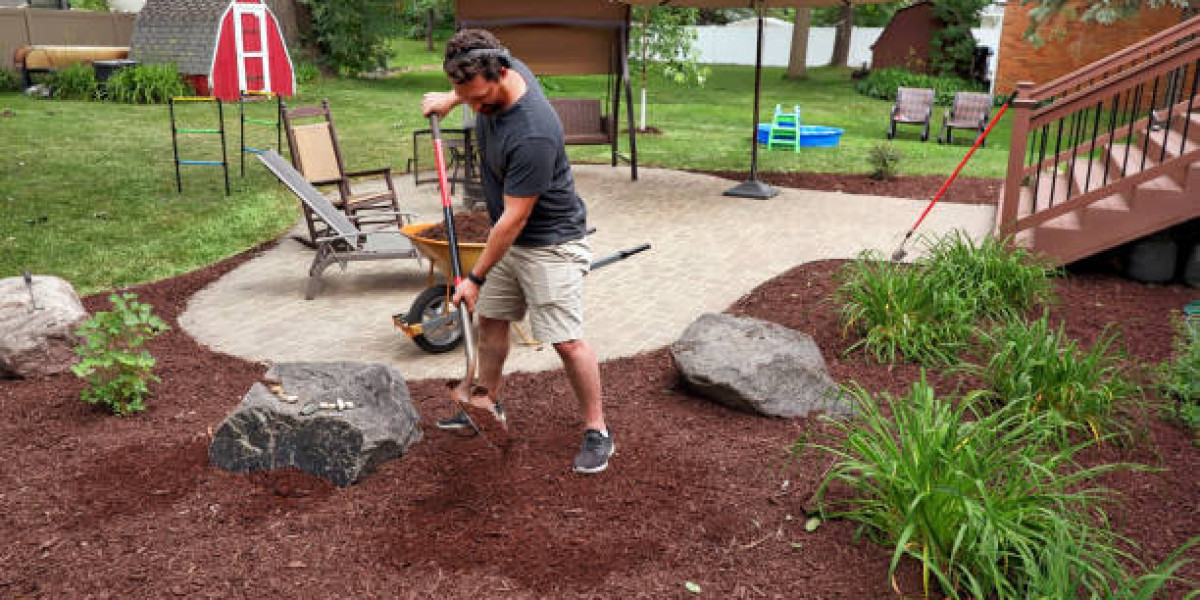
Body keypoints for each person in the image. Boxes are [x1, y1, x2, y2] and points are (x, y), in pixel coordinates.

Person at [421, 29, 613, 474]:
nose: (475, 107)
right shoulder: (492, 66)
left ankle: (598, 430)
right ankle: (484, 405)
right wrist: (452, 100)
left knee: (565, 342)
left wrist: (474, 277)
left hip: (549, 242)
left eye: (478, 99)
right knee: (490, 321)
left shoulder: (534, 134)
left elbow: (513, 221)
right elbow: (470, 86)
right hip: (508, 237)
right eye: (464, 97)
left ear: (502, 74)